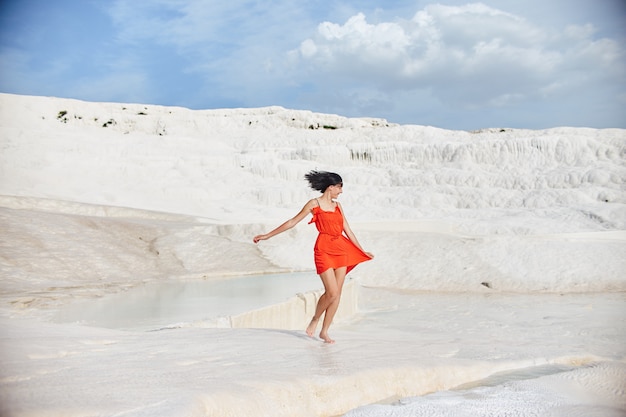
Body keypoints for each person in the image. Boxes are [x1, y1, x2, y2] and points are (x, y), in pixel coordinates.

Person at [253, 171, 373, 343]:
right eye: (339, 187)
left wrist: (361, 250)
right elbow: (292, 222)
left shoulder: (338, 206)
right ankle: (315, 319)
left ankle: (324, 331)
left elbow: (347, 229)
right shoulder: (313, 204)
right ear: (330, 187)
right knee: (331, 292)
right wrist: (267, 235)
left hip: (341, 248)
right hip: (324, 249)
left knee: (337, 293)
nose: (341, 191)